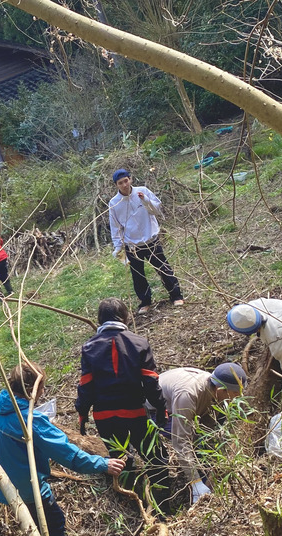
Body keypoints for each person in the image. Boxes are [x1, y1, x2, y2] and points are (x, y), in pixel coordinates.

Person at [0, 361, 125, 536]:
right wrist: (102, 464)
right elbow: (68, 455)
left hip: (5, 488)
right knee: (54, 526)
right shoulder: (30, 422)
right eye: (42, 387)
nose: (43, 392)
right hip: (30, 491)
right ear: (32, 390)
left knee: (34, 526)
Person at [75, 298, 168, 490]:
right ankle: (163, 503)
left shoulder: (89, 347)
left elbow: (86, 385)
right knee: (156, 459)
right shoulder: (139, 343)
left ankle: (133, 500)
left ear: (100, 319)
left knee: (120, 460)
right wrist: (160, 407)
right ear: (125, 317)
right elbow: (151, 382)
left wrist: (82, 413)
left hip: (104, 416)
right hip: (134, 412)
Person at [158, 363, 246, 505]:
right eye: (235, 394)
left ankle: (207, 484)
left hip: (195, 404)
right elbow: (181, 441)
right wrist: (196, 482)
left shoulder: (216, 391)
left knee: (202, 443)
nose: (237, 398)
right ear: (221, 389)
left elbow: (208, 430)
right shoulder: (187, 394)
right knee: (189, 441)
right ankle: (196, 487)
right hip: (158, 409)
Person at [108, 169, 184, 315]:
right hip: (132, 245)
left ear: (130, 179)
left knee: (163, 268)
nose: (124, 184)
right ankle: (145, 301)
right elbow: (115, 226)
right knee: (138, 275)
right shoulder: (114, 203)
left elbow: (157, 210)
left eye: (126, 180)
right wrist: (118, 247)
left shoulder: (142, 191)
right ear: (116, 185)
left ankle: (176, 295)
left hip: (151, 239)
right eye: (120, 183)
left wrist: (145, 200)